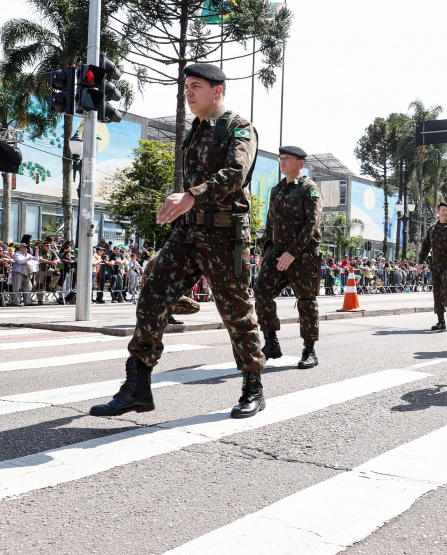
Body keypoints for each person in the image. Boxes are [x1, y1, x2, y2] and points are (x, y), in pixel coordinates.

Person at [91, 62, 266, 419]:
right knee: (152, 291)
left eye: (196, 86)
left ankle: (253, 385)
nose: (188, 91)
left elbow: (235, 174)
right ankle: (136, 387)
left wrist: (190, 195)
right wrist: (182, 206)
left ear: (217, 91)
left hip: (225, 234)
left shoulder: (239, 128)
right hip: (189, 231)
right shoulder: (195, 130)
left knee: (236, 311)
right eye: (186, 86)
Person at [254, 145, 322, 370]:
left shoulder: (309, 188)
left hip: (303, 254)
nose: (282, 162)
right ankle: (271, 342)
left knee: (306, 300)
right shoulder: (276, 190)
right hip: (276, 250)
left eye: (287, 159)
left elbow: (311, 224)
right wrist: (264, 253)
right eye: (280, 159)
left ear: (300, 163)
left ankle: (309, 349)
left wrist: (292, 253)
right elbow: (270, 225)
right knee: (261, 291)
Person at [417, 201, 447, 330]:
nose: (445, 212)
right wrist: (420, 262)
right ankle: (440, 320)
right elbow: (425, 246)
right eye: (443, 210)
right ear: (438, 212)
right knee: (437, 292)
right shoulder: (432, 228)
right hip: (435, 265)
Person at [10, 242, 37, 306]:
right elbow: (20, 261)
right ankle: (16, 302)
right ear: (20, 248)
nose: (26, 248)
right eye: (24, 247)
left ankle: (28, 302)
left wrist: (36, 252)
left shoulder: (28, 254)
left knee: (28, 287)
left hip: (26, 273)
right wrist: (28, 260)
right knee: (17, 288)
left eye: (26, 247)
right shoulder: (17, 254)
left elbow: (36, 259)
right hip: (18, 272)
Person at [36, 240, 61, 305]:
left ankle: (50, 286)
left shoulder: (52, 251)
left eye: (49, 245)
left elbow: (58, 258)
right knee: (39, 285)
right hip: (40, 269)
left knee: (57, 274)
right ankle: (40, 300)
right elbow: (40, 259)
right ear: (43, 246)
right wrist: (50, 262)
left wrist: (55, 261)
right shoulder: (41, 251)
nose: (49, 247)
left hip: (48, 269)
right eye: (47, 246)